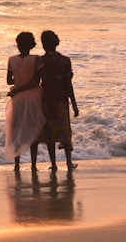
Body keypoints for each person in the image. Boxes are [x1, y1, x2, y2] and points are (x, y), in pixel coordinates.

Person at [38, 30, 79, 172]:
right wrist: (74, 104)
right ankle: (68, 163)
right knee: (65, 132)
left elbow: (38, 82)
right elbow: (69, 85)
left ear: (43, 44)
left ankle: (54, 164)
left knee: (49, 133)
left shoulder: (40, 61)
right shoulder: (65, 60)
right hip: (62, 101)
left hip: (46, 102)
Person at [5, 32, 46, 171]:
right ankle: (33, 165)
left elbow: (9, 80)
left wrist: (18, 86)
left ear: (18, 44)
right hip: (33, 97)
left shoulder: (11, 60)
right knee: (32, 130)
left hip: (17, 98)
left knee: (17, 130)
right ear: (32, 44)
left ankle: (16, 165)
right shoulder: (37, 59)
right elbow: (36, 81)